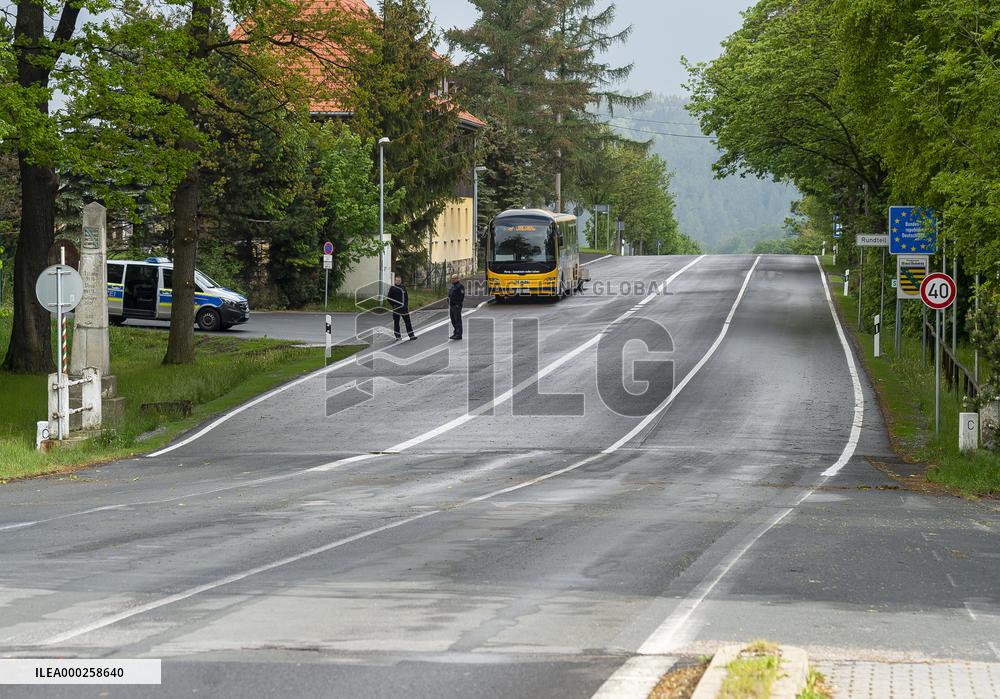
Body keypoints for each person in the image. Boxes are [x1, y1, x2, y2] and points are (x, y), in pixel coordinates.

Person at [387, 274, 416, 341]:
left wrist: (406, 305)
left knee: (408, 322)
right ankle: (398, 336)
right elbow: (389, 298)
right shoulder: (392, 288)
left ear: (401, 280)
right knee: (396, 323)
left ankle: (411, 336)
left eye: (399, 280)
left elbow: (406, 297)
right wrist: (393, 305)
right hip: (396, 308)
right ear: (395, 280)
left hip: (404, 308)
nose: (398, 281)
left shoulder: (403, 287)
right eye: (397, 280)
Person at [448, 273, 465, 340]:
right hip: (451, 305)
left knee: (457, 320)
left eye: (454, 278)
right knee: (453, 320)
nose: (453, 279)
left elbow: (461, 296)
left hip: (456, 306)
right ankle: (455, 332)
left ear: (458, 279)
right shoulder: (453, 286)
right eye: (452, 278)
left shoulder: (460, 286)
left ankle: (459, 334)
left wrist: (458, 304)